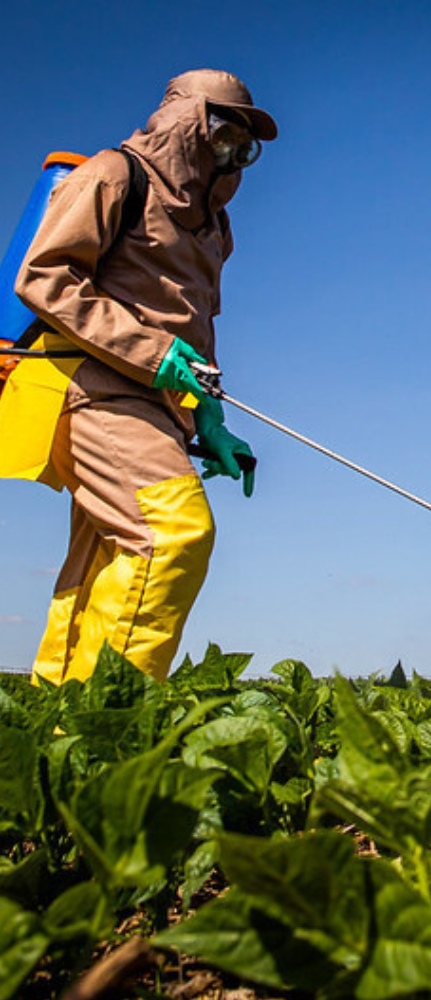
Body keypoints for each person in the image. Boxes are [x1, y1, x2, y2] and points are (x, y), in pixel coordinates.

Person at [2, 69, 277, 685]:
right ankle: (108, 734)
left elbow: (195, 328)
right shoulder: (113, 175)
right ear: (187, 121)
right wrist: (153, 356)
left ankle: (56, 725)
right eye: (225, 131)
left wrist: (210, 416)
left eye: (246, 143)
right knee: (172, 536)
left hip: (156, 408)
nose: (235, 150)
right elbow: (43, 280)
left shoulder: (211, 227)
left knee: (102, 563)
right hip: (89, 389)